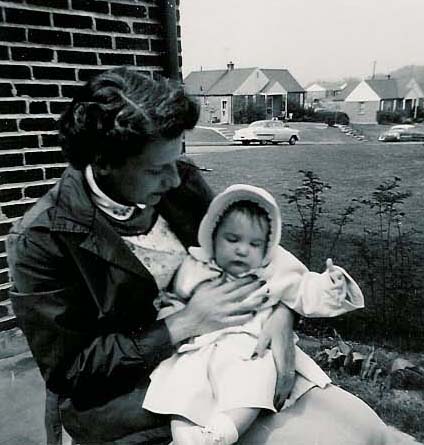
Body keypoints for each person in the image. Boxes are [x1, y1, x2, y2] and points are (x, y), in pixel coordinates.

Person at [6, 66, 394, 445]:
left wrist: (281, 315)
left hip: (232, 349)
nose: (174, 179)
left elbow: (251, 257)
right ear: (103, 163)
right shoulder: (43, 238)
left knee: (365, 427)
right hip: (130, 391)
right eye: (157, 169)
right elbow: (72, 372)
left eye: (175, 161)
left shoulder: (182, 184)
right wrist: (187, 322)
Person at [142, 184, 365, 445]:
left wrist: (332, 285)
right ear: (212, 235)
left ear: (266, 247)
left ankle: (221, 434)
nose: (242, 250)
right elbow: (175, 300)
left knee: (254, 384)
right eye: (232, 239)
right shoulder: (196, 265)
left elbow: (305, 291)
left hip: (251, 348)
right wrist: (173, 315)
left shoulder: (274, 270)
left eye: (254, 243)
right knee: (182, 390)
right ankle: (184, 440)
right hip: (199, 349)